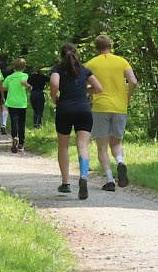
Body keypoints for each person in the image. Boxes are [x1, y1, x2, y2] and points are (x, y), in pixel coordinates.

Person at [86, 34, 138, 191]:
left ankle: (110, 181)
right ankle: (120, 162)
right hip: (120, 107)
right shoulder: (122, 61)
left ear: (96, 47)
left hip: (100, 107)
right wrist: (127, 97)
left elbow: (83, 85)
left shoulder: (90, 64)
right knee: (116, 143)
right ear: (111, 45)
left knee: (102, 147)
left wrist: (88, 94)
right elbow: (133, 81)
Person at [50, 42, 102, 199]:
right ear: (76, 54)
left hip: (65, 109)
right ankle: (83, 176)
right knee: (82, 145)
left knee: (63, 146)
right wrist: (85, 92)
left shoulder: (57, 70)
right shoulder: (85, 70)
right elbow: (99, 88)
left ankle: (66, 183)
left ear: (61, 55)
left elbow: (54, 83)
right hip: (84, 110)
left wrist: (55, 97)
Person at [2, 58, 31, 153]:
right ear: (24, 67)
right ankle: (21, 143)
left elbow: (4, 87)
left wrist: (10, 88)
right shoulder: (25, 75)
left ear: (13, 68)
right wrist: (27, 86)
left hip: (11, 102)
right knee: (22, 122)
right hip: (21, 103)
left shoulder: (9, 77)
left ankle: (15, 136)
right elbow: (26, 85)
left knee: (14, 120)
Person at [0, 54, 12, 134]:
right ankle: (4, 125)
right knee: (5, 106)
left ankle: (1, 124)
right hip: (7, 88)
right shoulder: (10, 68)